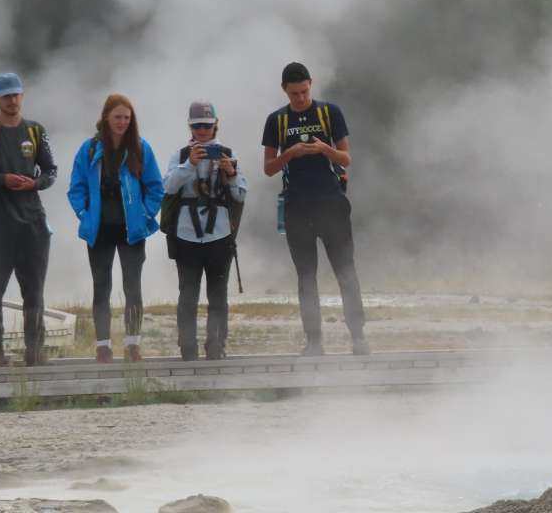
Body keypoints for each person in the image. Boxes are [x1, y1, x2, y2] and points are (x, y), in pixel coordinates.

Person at [262, 62, 369, 357]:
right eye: (294, 93)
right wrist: (291, 153)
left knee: (346, 271)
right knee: (306, 276)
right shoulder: (277, 121)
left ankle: (358, 336)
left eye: (304, 91)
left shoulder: (329, 112)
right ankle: (314, 341)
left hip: (332, 204)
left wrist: (324, 149)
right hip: (297, 208)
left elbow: (346, 158)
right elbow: (269, 168)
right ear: (284, 90)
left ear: (311, 84)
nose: (300, 98)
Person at [0, 73, 57, 367]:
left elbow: (51, 171)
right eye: (6, 96)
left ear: (23, 95)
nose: (12, 100)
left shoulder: (35, 130)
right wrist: (3, 179)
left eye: (16, 95)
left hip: (32, 221)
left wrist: (35, 184)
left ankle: (35, 351)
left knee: (34, 291)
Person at [67, 94, 163, 363]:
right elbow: (76, 187)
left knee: (133, 286)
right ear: (106, 117)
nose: (122, 122)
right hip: (99, 229)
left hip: (132, 229)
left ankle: (133, 345)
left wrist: (145, 214)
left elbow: (156, 187)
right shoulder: (89, 149)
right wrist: (83, 214)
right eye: (118, 117)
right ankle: (103, 346)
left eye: (127, 118)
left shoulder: (141, 148)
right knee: (102, 287)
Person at [164, 101, 247, 360]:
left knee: (218, 296)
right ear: (190, 126)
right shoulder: (179, 156)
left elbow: (240, 195)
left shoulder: (227, 154)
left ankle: (216, 346)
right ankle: (187, 348)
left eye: (207, 126)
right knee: (188, 295)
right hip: (186, 234)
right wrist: (189, 164)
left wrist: (230, 173)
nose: (202, 130)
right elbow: (167, 187)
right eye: (197, 125)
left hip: (219, 234)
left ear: (215, 126)